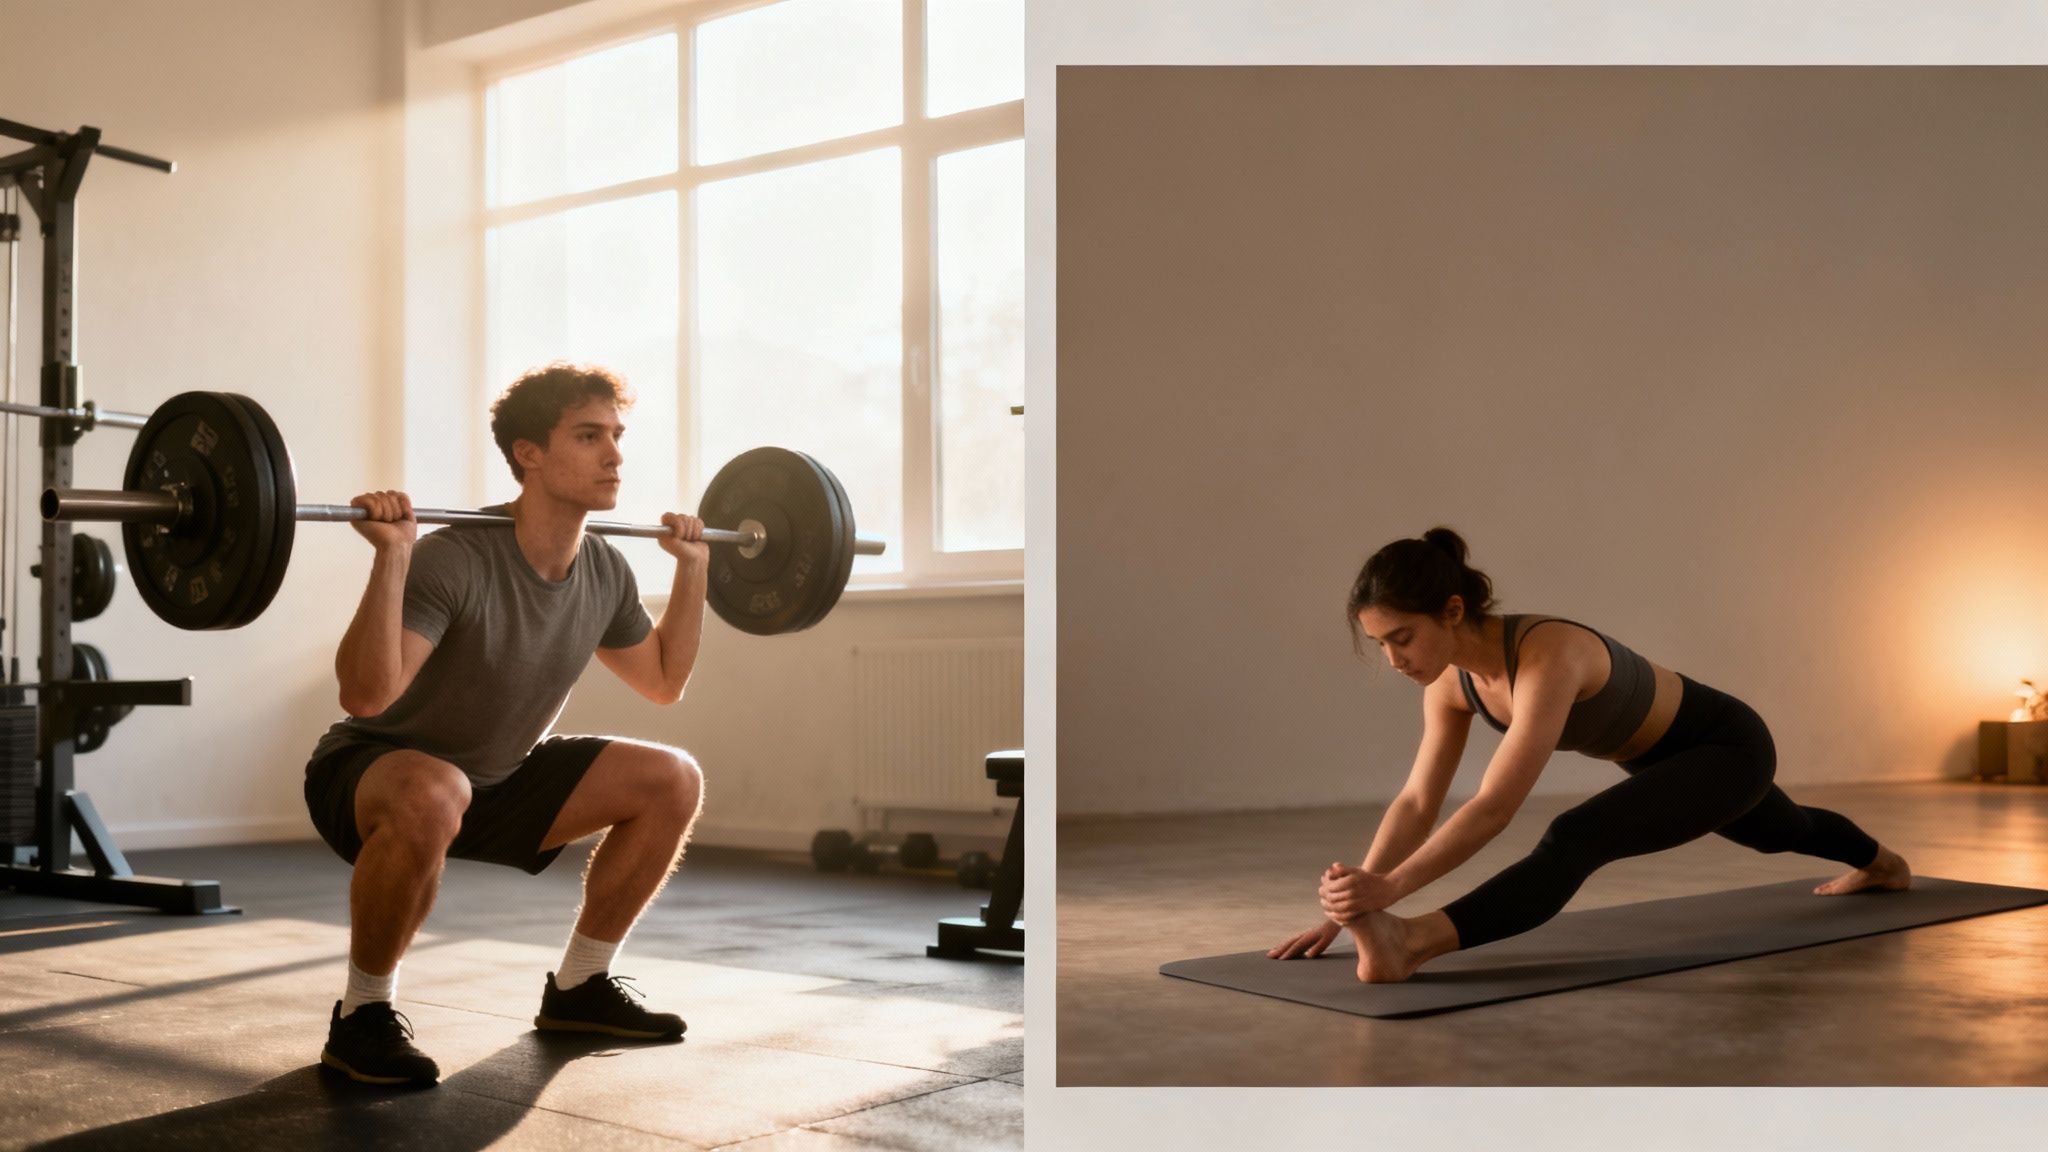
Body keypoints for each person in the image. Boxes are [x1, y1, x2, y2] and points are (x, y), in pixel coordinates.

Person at [1268, 527, 1911, 984]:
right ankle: (1886, 865)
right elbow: (1417, 800)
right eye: (1380, 644)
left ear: (1452, 610)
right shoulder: (1448, 685)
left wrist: (1393, 896)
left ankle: (1414, 943)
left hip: (1728, 745)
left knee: (1578, 835)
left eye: (1401, 638)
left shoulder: (1550, 656)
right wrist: (1359, 900)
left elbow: (1494, 806)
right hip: (1661, 765)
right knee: (1781, 831)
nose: (1392, 659)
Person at [303, 363, 708, 1085]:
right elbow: (364, 698)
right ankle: (362, 1016)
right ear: (530, 453)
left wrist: (693, 571)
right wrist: (394, 557)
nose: (615, 455)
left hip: (496, 780)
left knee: (671, 778)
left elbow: (662, 683)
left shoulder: (606, 570)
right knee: (436, 788)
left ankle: (582, 985)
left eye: (616, 436)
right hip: (377, 770)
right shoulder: (457, 556)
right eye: (589, 437)